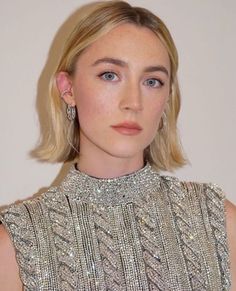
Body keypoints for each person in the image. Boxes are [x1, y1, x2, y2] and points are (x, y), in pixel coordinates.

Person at [0, 1, 235, 290]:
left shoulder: (217, 222)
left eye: (152, 81)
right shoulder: (17, 243)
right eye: (110, 75)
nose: (133, 102)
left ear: (166, 99)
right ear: (68, 88)